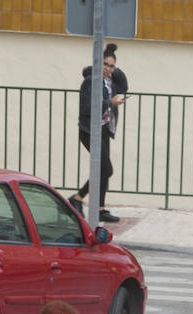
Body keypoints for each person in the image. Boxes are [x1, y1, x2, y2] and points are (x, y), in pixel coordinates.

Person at [69, 50, 126, 223]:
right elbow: (88, 107)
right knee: (106, 169)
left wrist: (113, 61)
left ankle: (100, 209)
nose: (107, 68)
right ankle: (77, 198)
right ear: (97, 63)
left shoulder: (108, 81)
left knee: (103, 171)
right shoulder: (90, 81)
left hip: (104, 129)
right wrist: (110, 103)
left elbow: (124, 86)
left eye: (111, 66)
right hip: (90, 131)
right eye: (105, 64)